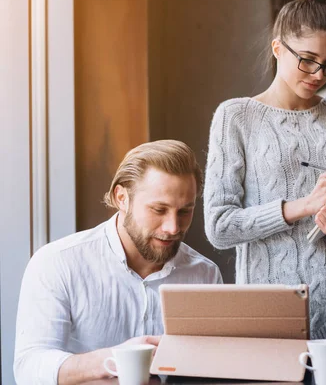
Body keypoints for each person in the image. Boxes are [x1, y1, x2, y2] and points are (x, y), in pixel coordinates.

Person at [203, 0, 326, 369]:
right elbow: (219, 226)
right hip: (268, 313)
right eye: (307, 60)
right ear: (277, 49)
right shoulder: (235, 117)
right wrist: (303, 206)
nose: (319, 74)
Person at [14, 140, 223, 385]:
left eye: (185, 211)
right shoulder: (57, 263)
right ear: (121, 197)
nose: (173, 227)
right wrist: (117, 359)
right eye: (158, 209)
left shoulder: (205, 274)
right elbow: (30, 368)